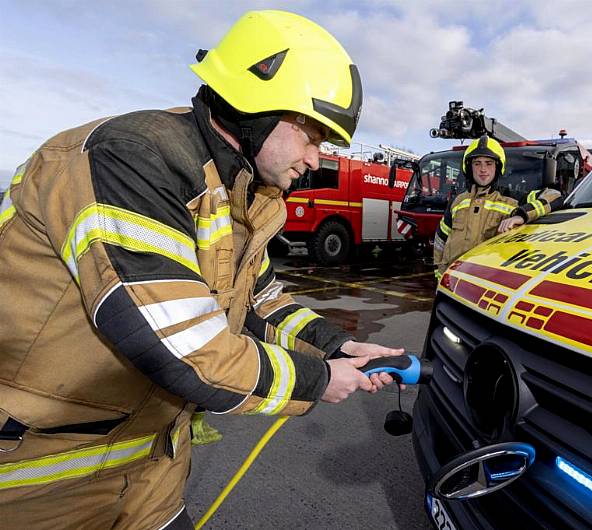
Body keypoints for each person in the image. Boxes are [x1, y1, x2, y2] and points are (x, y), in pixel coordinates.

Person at [0, 11, 403, 529]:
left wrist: (338, 347)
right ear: (256, 105)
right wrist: (318, 379)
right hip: (36, 477)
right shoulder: (133, 161)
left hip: (149, 466)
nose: (316, 158)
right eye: (313, 135)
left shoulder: (241, 195)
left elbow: (259, 303)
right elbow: (185, 349)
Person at [433, 135, 563, 279]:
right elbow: (440, 241)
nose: (483, 169)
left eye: (489, 163)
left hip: (484, 282)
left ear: (498, 167)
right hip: (451, 281)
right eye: (477, 163)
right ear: (469, 167)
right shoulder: (457, 201)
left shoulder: (512, 199)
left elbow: (554, 195)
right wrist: (439, 276)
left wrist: (522, 215)